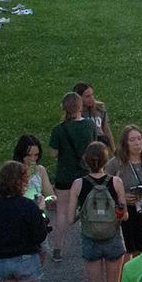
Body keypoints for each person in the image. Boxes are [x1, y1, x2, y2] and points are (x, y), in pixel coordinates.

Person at [78, 139, 129, 282]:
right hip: (113, 237)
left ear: (85, 160)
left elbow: (69, 218)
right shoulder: (115, 182)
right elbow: (124, 216)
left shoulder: (78, 184)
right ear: (106, 161)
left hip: (90, 239)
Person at [48, 91, 98, 256]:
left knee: (61, 211)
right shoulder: (89, 125)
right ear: (80, 106)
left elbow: (53, 154)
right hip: (85, 175)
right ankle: (92, 242)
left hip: (65, 176)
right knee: (89, 208)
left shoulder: (58, 130)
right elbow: (94, 148)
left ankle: (58, 247)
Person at [107, 125, 142, 262]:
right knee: (126, 247)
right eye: (132, 140)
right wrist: (121, 196)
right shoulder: (116, 163)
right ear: (125, 143)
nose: (137, 143)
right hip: (123, 209)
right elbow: (105, 186)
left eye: (139, 138)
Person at [13, 133, 57, 256]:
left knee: (42, 250)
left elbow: (51, 196)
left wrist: (44, 200)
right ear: (21, 154)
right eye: (29, 155)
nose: (33, 159)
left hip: (38, 217)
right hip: (20, 217)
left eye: (36, 155)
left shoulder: (40, 170)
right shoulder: (14, 171)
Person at [74, 80, 113, 146]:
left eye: (92, 94)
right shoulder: (75, 113)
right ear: (79, 98)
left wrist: (114, 150)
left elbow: (106, 129)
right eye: (88, 96)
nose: (92, 98)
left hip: (102, 143)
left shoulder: (100, 107)